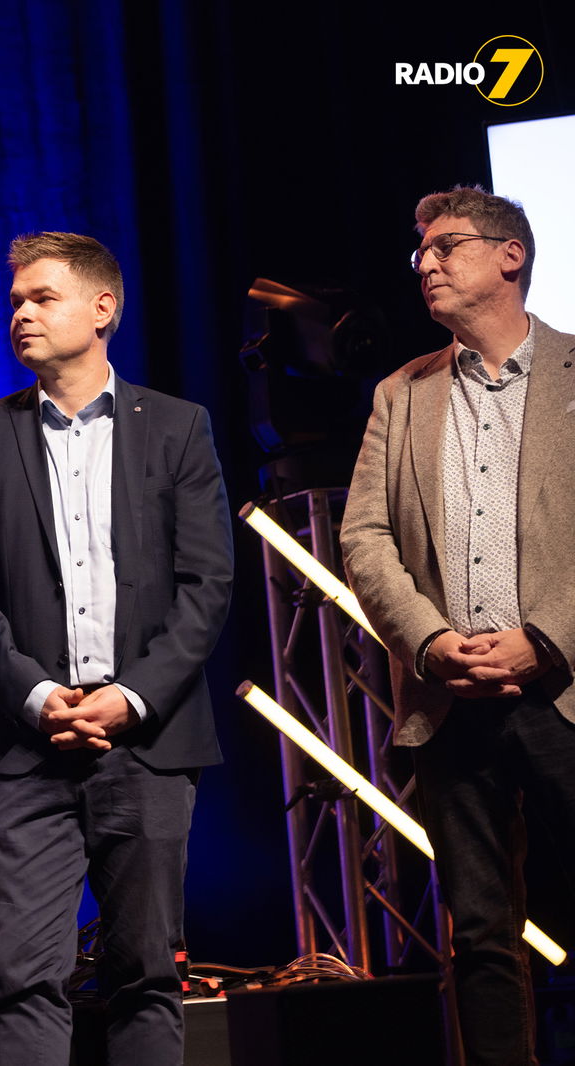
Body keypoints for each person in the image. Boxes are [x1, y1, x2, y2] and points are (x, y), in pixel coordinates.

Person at [0, 232, 232, 1065]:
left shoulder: (176, 427)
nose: (21, 314)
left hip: (147, 740)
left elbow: (207, 584)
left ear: (103, 309)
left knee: (146, 977)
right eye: (15, 302)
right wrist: (37, 697)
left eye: (42, 297)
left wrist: (129, 697)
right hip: (30, 748)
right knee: (26, 981)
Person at [341, 185, 575, 1066]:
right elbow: (364, 537)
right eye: (421, 253)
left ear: (511, 255)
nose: (426, 265)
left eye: (447, 246)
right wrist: (433, 645)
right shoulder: (401, 393)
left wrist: (546, 639)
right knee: (479, 934)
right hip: (451, 701)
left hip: (565, 690)